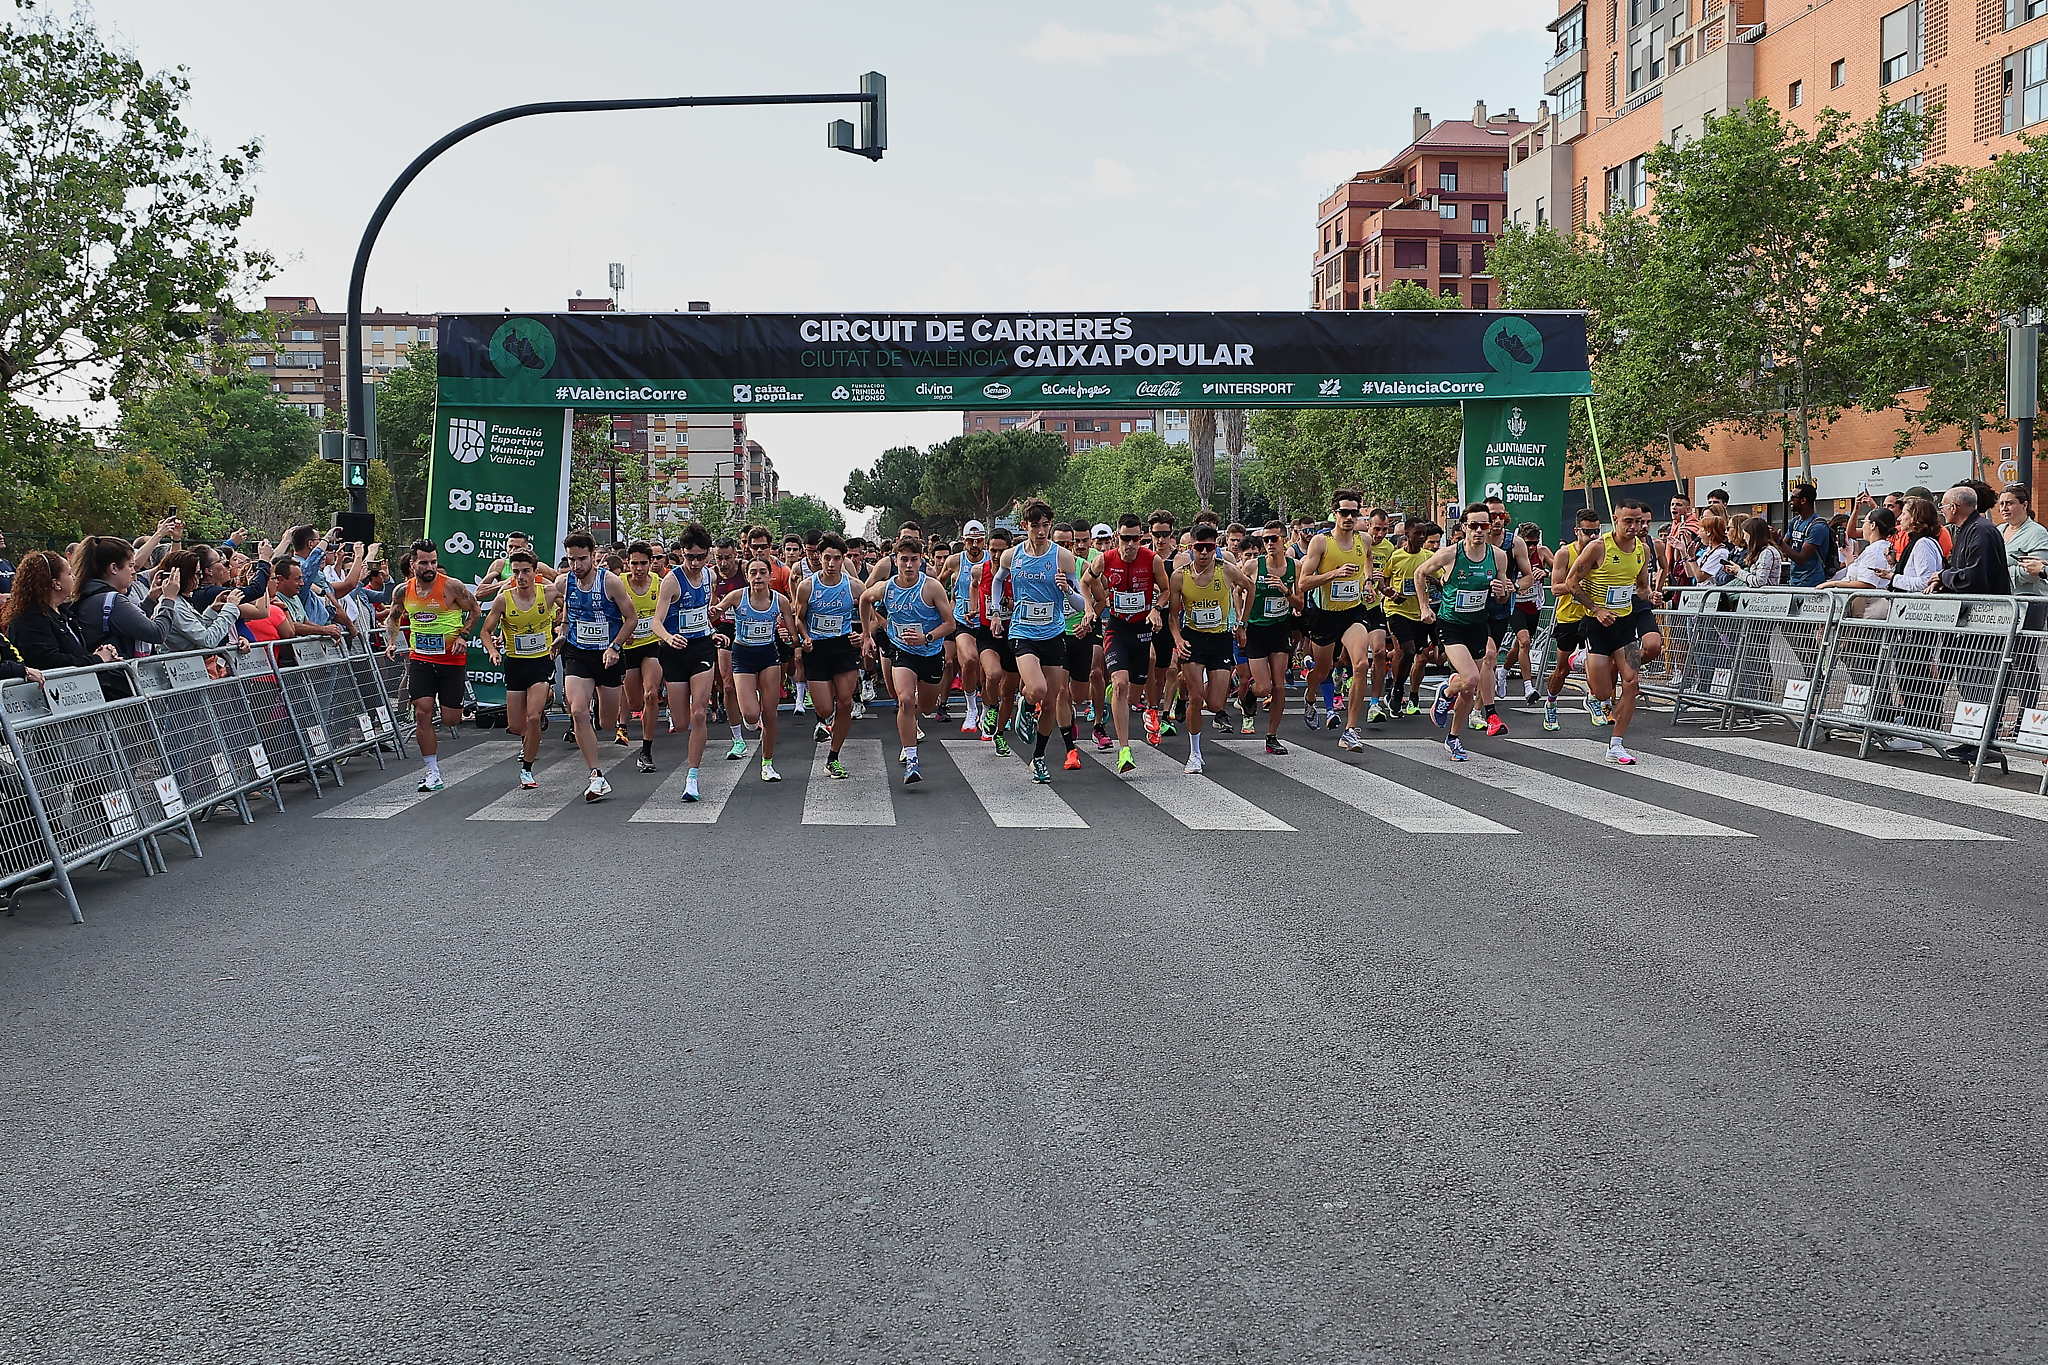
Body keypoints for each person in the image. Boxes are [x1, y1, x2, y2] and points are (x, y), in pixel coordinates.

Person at [1555, 498, 1662, 765]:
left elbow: (1640, 586)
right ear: (1616, 520)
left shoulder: (1643, 550)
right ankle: (1579, 660)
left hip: (1625, 625)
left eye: (1639, 521)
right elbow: (1571, 582)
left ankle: (1616, 744)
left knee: (1632, 682)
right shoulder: (1598, 547)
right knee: (1602, 693)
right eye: (1628, 521)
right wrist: (1596, 608)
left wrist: (1650, 596)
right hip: (1597, 625)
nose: (1634, 526)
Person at [992, 498, 1090, 784]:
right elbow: (999, 581)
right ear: (1025, 526)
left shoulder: (1063, 557)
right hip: (1023, 632)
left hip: (1053, 633)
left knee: (1050, 703)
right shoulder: (1012, 556)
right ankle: (1024, 700)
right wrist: (997, 611)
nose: (1042, 530)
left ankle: (1038, 758)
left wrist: (1066, 589)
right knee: (1037, 689)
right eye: (1036, 525)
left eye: (1046, 525)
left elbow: (1079, 602)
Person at [548, 531, 641, 801]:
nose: (577, 566)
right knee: (578, 712)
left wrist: (615, 646)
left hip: (608, 656)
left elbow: (631, 618)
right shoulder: (565, 583)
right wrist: (561, 636)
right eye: (571, 560)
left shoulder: (610, 582)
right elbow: (568, 617)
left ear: (593, 556)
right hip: (578, 654)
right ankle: (596, 775)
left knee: (607, 722)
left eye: (582, 559)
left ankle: (600, 704)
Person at [860, 533, 958, 786]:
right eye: (903, 559)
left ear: (921, 560)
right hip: (902, 652)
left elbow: (950, 624)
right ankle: (912, 758)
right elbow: (864, 599)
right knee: (904, 699)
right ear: (895, 560)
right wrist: (866, 635)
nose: (909, 565)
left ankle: (915, 719)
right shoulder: (887, 587)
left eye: (914, 559)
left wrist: (927, 637)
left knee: (924, 707)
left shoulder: (932, 587)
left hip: (930, 652)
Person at [1415, 507, 1512, 761]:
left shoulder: (1499, 556)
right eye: (1473, 526)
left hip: (1478, 624)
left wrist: (1503, 591)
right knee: (1470, 678)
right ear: (1463, 527)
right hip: (1451, 625)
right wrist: (1424, 607)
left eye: (1484, 526)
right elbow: (1420, 573)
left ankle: (1454, 738)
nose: (1479, 531)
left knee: (1469, 691)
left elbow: (1502, 597)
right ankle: (1446, 692)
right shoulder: (1449, 555)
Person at [385, 540, 480, 794]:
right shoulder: (403, 591)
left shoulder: (451, 586)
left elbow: (475, 611)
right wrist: (392, 642)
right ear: (412, 563)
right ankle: (432, 772)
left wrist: (463, 636)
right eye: (424, 562)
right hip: (421, 659)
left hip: (451, 660)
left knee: (451, 718)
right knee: (422, 712)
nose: (430, 567)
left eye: (433, 562)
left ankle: (444, 702)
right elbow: (393, 617)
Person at [1165, 523, 1255, 774]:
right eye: (1199, 548)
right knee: (1197, 698)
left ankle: (1183, 684)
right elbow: (1173, 616)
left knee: (1215, 704)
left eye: (1209, 548)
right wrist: (1177, 640)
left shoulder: (1226, 570)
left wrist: (1242, 623)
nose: (1204, 553)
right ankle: (1194, 754)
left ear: (1216, 548)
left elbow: (1251, 587)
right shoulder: (1179, 576)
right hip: (1193, 640)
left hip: (1220, 641)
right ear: (1191, 548)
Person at [1298, 491, 1377, 749]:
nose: (1349, 517)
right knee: (1323, 670)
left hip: (1352, 612)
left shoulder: (1364, 539)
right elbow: (1304, 582)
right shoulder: (1321, 542)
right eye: (1344, 512)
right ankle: (1310, 697)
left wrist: (1367, 582)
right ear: (1334, 513)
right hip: (1324, 615)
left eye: (1355, 513)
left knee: (1362, 664)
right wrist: (1335, 573)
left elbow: (1368, 560)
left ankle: (1351, 730)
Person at [648, 524, 722, 800]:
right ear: (680, 554)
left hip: (701, 647)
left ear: (708, 555)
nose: (694, 562)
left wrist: (711, 625)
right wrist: (668, 637)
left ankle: (692, 777)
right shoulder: (671, 581)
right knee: (681, 723)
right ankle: (676, 710)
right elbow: (656, 622)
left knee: (699, 713)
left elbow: (705, 609)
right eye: (689, 556)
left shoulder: (709, 576)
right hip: (675, 651)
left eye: (700, 557)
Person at [1092, 513, 1169, 774]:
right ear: (1117, 537)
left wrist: (1157, 608)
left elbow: (1166, 589)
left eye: (1136, 538)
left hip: (1141, 630)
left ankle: (1118, 697)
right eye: (1126, 538)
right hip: (1116, 628)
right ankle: (1124, 749)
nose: (1131, 544)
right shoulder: (1105, 559)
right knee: (1121, 684)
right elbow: (1085, 580)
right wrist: (1092, 606)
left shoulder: (1153, 560)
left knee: (1132, 693)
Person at [715, 554, 800, 783]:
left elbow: (793, 637)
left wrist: (790, 638)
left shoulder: (780, 601)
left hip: (768, 656)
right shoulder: (737, 596)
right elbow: (716, 611)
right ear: (747, 576)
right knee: (752, 715)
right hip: (743, 656)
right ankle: (750, 723)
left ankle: (767, 763)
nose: (758, 577)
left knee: (770, 714)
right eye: (753, 573)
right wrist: (713, 614)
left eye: (763, 572)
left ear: (770, 575)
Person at [479, 549, 555, 790]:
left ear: (535, 572)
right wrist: (492, 651)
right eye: (516, 571)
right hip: (515, 663)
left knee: (532, 718)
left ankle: (527, 769)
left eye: (525, 571)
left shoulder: (549, 593)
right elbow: (485, 631)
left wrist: (562, 627)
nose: (520, 576)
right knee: (516, 726)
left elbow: (571, 609)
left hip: (540, 662)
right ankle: (537, 714)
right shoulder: (504, 599)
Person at [793, 532, 863, 780]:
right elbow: (799, 618)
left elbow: (870, 615)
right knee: (824, 708)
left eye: (836, 558)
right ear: (818, 558)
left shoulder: (854, 586)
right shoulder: (807, 586)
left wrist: (862, 635)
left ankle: (833, 757)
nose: (831, 564)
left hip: (844, 646)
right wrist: (804, 637)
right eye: (826, 558)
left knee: (845, 703)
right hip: (817, 649)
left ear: (844, 559)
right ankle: (825, 722)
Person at [1239, 520, 1300, 756]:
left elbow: (1300, 604)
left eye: (1274, 539)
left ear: (1284, 539)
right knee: (1264, 687)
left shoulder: (1295, 566)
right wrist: (1241, 623)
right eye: (1265, 540)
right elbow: (1237, 590)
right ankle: (1249, 694)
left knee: (1279, 686)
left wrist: (1285, 590)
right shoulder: (1254, 566)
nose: (1269, 544)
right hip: (1256, 630)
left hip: (1280, 629)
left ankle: (1272, 736)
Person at [1541, 508, 1605, 731]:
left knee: (1595, 664)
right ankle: (1550, 703)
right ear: (1577, 531)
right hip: (1569, 617)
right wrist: (1576, 585)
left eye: (1597, 531)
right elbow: (1556, 588)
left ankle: (1593, 698)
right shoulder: (1565, 554)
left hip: (1592, 616)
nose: (1593, 536)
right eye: (1588, 532)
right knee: (1561, 670)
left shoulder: (1601, 551)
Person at [4, 551, 113, 673]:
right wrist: (97, 659)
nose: (74, 577)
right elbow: (48, 660)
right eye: (69, 573)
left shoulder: (63, 613)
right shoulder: (31, 618)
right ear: (56, 584)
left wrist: (101, 654)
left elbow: (74, 652)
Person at [614, 541, 666, 770]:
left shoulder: (660, 584)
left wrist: (665, 633)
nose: (639, 568)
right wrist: (621, 634)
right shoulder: (619, 584)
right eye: (634, 563)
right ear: (628, 563)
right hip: (628, 649)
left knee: (651, 694)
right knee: (635, 702)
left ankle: (647, 751)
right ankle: (626, 723)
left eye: (644, 563)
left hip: (652, 645)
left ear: (651, 563)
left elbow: (670, 611)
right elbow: (608, 614)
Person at [70, 536, 166, 659]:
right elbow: (157, 633)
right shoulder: (112, 601)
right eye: (130, 566)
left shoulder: (87, 592)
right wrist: (168, 599)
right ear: (114, 568)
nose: (133, 572)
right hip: (114, 675)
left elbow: (133, 621)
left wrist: (151, 600)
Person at [940, 521, 992, 740]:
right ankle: (971, 709)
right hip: (962, 621)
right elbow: (938, 583)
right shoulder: (954, 561)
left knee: (989, 673)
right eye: (970, 541)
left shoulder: (992, 559)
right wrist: (945, 609)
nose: (975, 545)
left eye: (979, 541)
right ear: (963, 541)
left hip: (987, 621)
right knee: (969, 660)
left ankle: (987, 711)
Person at [151, 549, 249, 656]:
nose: (200, 577)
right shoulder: (176, 606)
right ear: (184, 576)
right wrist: (230, 608)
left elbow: (197, 631)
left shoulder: (178, 601)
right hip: (184, 667)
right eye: (197, 573)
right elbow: (208, 640)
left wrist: (212, 610)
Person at [1783, 482, 1832, 588]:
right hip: (1794, 581)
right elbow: (1784, 548)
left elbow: (1802, 558)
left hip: (1812, 583)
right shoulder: (1795, 521)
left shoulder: (1818, 526)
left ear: (1803, 500)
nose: (1789, 501)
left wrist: (1779, 542)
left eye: (1793, 497)